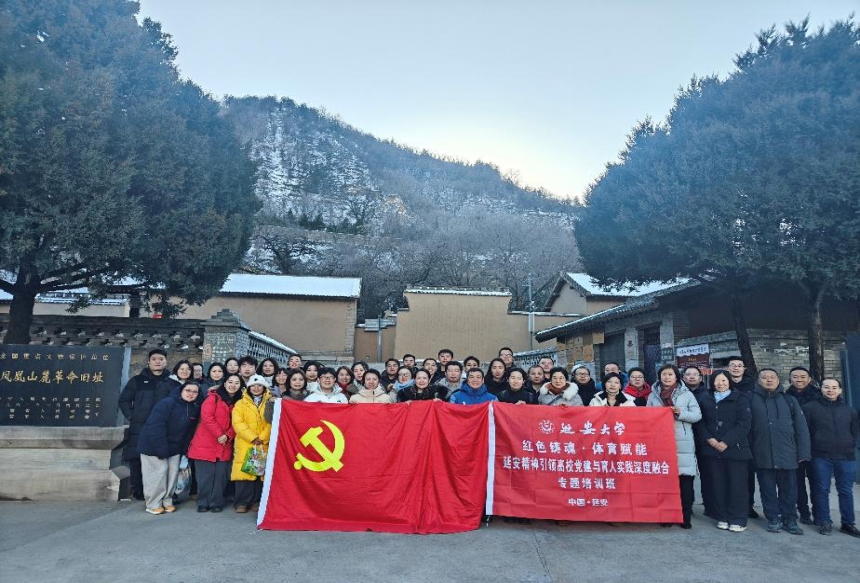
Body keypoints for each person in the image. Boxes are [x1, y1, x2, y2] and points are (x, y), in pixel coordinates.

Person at [749, 368, 811, 535]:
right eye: (765, 377)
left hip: (787, 453)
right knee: (767, 489)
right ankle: (773, 518)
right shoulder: (750, 399)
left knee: (789, 490)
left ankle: (790, 519)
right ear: (758, 381)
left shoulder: (789, 400)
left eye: (772, 377)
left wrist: (803, 453)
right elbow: (747, 428)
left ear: (778, 380)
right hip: (762, 452)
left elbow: (801, 428)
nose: (769, 380)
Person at [694, 370, 752, 533]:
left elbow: (744, 423)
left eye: (724, 380)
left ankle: (738, 518)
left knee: (737, 485)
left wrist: (726, 441)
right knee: (717, 484)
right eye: (717, 381)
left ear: (729, 382)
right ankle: (722, 516)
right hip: (712, 449)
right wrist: (710, 439)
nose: (720, 384)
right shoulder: (705, 398)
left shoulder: (740, 398)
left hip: (735, 449)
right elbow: (700, 422)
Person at [802, 378, 860, 538]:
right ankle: (824, 521)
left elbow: (854, 431)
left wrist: (849, 445)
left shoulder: (849, 410)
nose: (830, 390)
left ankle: (848, 523)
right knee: (821, 490)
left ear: (840, 390)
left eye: (834, 387)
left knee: (846, 490)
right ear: (821, 389)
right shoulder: (810, 408)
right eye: (826, 387)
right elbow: (805, 432)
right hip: (820, 456)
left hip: (846, 456)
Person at [647, 364, 701, 529]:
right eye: (664, 374)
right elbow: (647, 417)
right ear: (659, 377)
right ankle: (666, 516)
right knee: (664, 484)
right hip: (660, 442)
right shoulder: (653, 395)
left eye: (670, 374)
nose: (667, 377)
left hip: (682, 442)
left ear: (676, 376)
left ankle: (685, 517)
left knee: (685, 483)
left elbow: (697, 415)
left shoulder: (687, 394)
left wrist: (681, 413)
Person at [137, 381, 201, 515]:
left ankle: (167, 500)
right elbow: (156, 426)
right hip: (153, 446)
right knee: (157, 474)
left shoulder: (194, 407)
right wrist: (161, 448)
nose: (191, 394)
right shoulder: (167, 403)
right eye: (188, 390)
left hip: (175, 447)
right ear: (181, 390)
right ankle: (153, 503)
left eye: (195, 392)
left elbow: (189, 431)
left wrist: (184, 449)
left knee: (172, 474)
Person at [118, 349, 171, 500]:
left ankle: (160, 491)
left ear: (166, 362)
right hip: (140, 426)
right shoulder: (137, 380)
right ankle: (139, 491)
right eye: (154, 359)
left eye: (161, 359)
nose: (157, 361)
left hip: (163, 426)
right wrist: (132, 416)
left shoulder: (171, 382)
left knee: (161, 458)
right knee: (137, 458)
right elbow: (124, 400)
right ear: (148, 362)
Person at [188, 374, 243, 513]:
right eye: (230, 382)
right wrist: (219, 434)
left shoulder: (241, 402)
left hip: (225, 444)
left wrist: (228, 435)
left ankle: (216, 502)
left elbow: (239, 422)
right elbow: (207, 417)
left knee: (221, 476)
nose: (233, 385)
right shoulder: (213, 398)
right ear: (224, 383)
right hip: (206, 442)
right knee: (204, 476)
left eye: (237, 383)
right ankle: (203, 502)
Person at [231, 374, 272, 513]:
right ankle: (242, 502)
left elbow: (271, 422)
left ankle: (256, 501)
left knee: (259, 475)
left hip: (262, 443)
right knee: (244, 474)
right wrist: (253, 437)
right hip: (246, 442)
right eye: (253, 385)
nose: (256, 388)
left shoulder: (270, 402)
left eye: (259, 385)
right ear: (249, 388)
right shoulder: (240, 403)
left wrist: (262, 438)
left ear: (264, 387)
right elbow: (238, 422)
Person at [786, 365, 820, 525]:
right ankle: (803, 512)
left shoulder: (819, 396)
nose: (799, 379)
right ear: (790, 379)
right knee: (797, 482)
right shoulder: (785, 397)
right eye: (795, 377)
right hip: (794, 446)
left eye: (802, 377)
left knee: (816, 482)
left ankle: (819, 513)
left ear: (809, 379)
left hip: (816, 446)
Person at [725, 355, 758, 518]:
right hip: (725, 436)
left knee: (747, 474)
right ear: (727, 368)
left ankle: (748, 505)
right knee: (726, 473)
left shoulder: (754, 386)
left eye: (739, 365)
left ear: (744, 369)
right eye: (733, 365)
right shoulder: (721, 384)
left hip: (748, 435)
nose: (736, 368)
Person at [682, 365, 711, 516]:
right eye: (688, 374)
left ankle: (709, 504)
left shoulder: (708, 394)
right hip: (683, 440)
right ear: (683, 377)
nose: (692, 377)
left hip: (704, 439)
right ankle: (688, 503)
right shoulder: (678, 393)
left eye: (695, 374)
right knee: (686, 475)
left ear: (700, 378)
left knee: (707, 474)